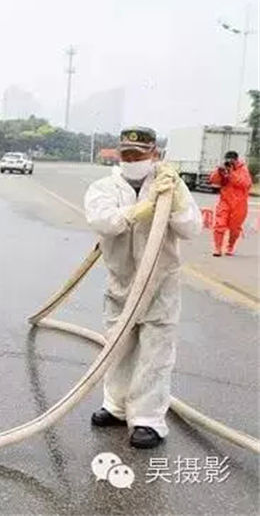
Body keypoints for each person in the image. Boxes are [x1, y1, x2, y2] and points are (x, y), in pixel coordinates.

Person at [84, 127, 202, 449]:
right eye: (127, 155)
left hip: (160, 285)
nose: (133, 160)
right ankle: (117, 406)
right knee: (117, 347)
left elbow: (191, 228)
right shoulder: (104, 187)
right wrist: (140, 210)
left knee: (155, 353)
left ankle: (148, 419)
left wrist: (174, 201)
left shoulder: (170, 187)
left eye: (140, 154)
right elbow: (102, 221)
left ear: (155, 155)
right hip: (121, 284)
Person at [208, 150, 252, 256]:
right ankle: (217, 248)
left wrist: (231, 174)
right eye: (228, 160)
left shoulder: (243, 169)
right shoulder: (224, 169)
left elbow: (246, 184)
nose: (230, 163)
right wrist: (219, 171)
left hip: (239, 204)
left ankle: (230, 246)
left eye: (232, 161)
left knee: (234, 228)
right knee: (219, 224)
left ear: (236, 160)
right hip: (225, 201)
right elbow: (213, 181)